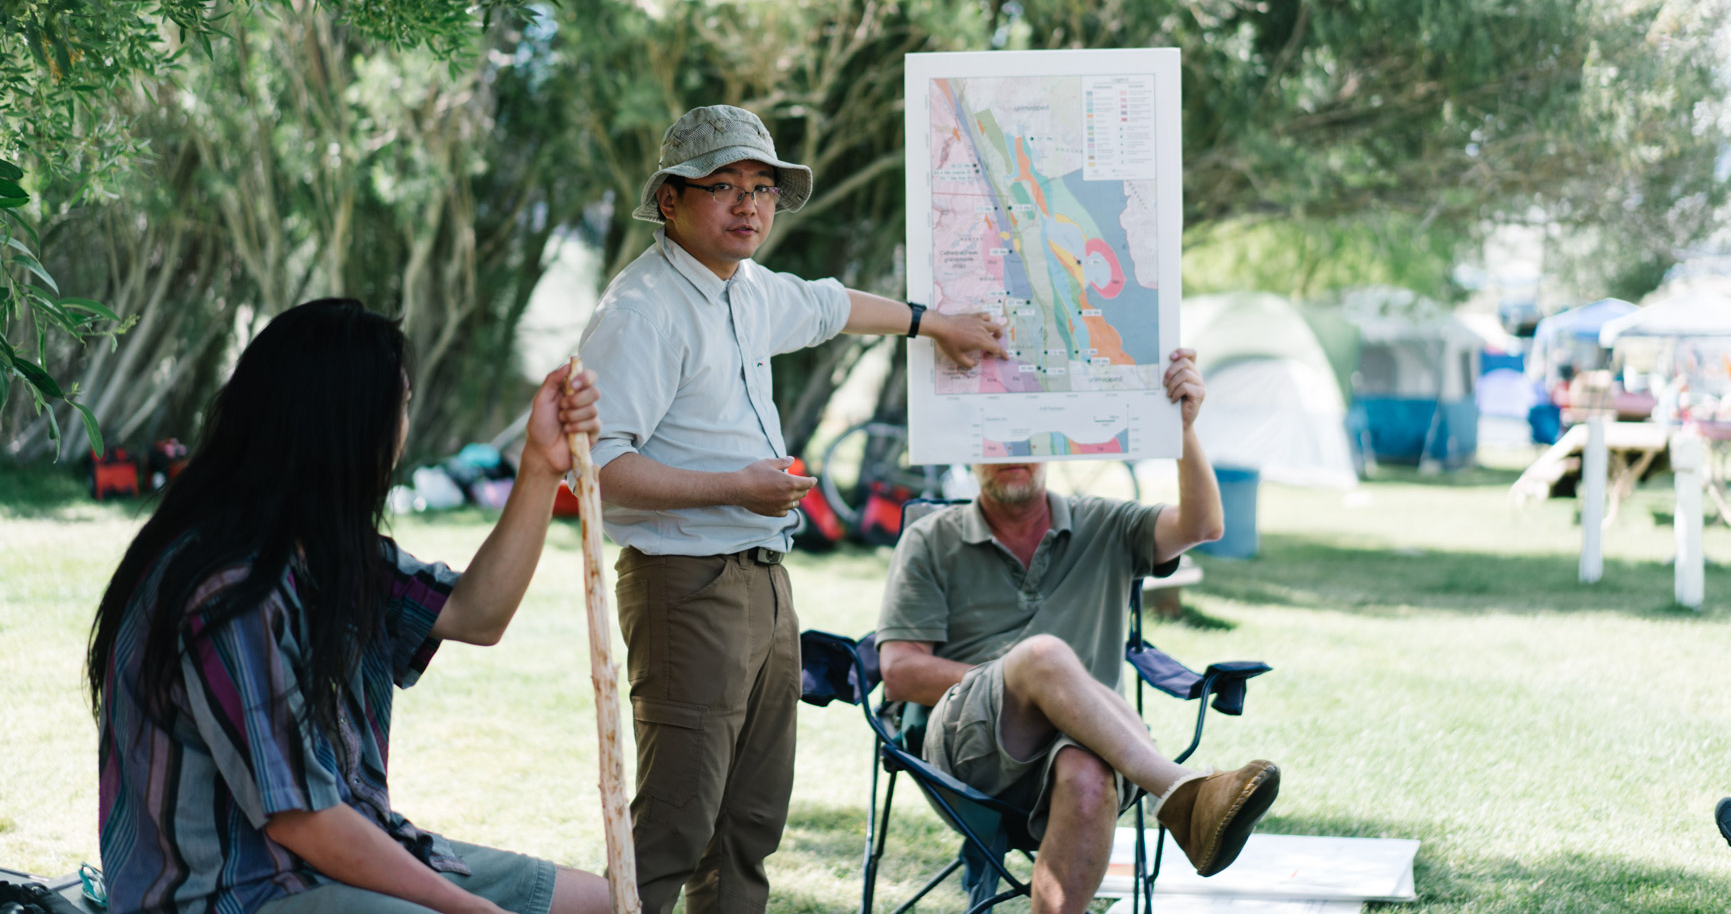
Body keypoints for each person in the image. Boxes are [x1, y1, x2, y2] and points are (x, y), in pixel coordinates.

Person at [578, 105, 1006, 914]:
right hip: (684, 585)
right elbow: (595, 469)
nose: (749, 205)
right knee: (674, 822)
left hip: (764, 581)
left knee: (749, 823)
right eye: (723, 186)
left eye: (763, 188)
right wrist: (735, 487)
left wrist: (933, 323)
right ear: (669, 200)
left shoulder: (747, 289)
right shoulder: (640, 310)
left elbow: (833, 303)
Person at [88, 299, 610, 914]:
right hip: (230, 895)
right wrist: (471, 909)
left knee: (601, 904)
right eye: (402, 405)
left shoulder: (329, 549)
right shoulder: (226, 589)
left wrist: (540, 466)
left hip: (326, 867)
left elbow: (477, 613)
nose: (404, 427)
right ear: (348, 425)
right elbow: (302, 820)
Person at [876, 348, 1281, 914]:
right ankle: (1182, 792)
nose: (1010, 452)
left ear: (1050, 441)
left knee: (1090, 775)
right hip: (965, 752)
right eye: (993, 437)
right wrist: (1026, 686)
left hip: (1089, 742)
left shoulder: (1105, 524)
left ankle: (1175, 800)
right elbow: (899, 671)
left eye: (1024, 435)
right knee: (1040, 657)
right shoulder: (932, 538)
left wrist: (1182, 428)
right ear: (967, 449)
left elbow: (1204, 525)